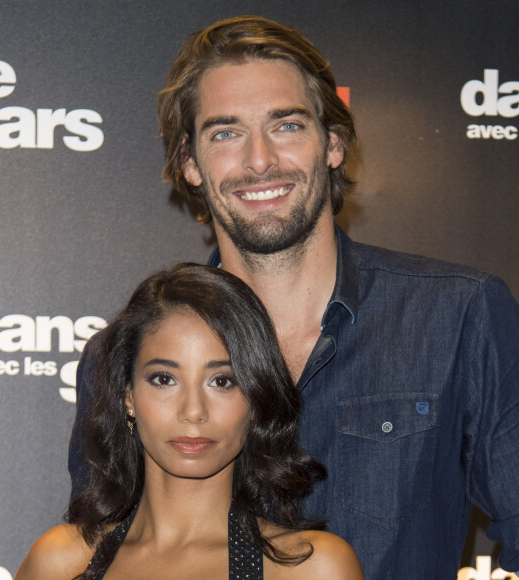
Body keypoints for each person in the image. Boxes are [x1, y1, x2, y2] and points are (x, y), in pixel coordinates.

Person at [70, 16, 519, 579]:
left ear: (332, 144)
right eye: (225, 133)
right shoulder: (122, 356)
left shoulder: (459, 316)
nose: (259, 161)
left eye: (285, 126)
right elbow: (105, 547)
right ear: (189, 163)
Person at [17, 264, 364, 579]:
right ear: (128, 396)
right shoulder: (59, 564)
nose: (193, 411)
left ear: (257, 399)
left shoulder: (313, 569)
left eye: (223, 381)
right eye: (164, 379)